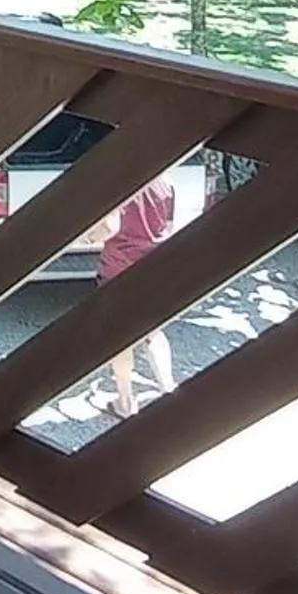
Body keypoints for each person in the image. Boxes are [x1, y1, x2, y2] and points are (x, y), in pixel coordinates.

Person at [97, 176, 178, 418]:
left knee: (119, 339)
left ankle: (125, 402)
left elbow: (109, 228)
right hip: (155, 267)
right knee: (153, 332)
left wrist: (86, 236)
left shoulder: (121, 185)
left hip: (119, 271)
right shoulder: (166, 182)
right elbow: (169, 225)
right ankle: (169, 391)